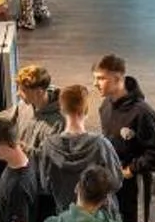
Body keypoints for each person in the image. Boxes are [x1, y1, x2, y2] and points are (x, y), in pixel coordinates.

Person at [94, 54, 155, 222]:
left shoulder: (143, 113)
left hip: (135, 186)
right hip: (112, 182)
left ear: (118, 78)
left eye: (101, 78)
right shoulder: (105, 106)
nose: (95, 84)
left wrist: (131, 170)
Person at [40, 82, 122, 214]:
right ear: (86, 109)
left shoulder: (49, 146)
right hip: (101, 217)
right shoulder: (100, 145)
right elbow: (116, 182)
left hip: (67, 217)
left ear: (61, 109)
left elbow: (45, 186)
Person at [10, 64, 57, 154]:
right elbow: (8, 122)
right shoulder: (22, 105)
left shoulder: (59, 122)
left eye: (23, 90)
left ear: (39, 92)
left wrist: (21, 149)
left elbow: (51, 158)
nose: (18, 94)